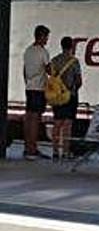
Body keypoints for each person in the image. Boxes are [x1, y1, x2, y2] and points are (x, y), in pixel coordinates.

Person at [49, 36, 82, 161]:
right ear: (71, 46)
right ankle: (66, 152)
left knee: (57, 123)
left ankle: (55, 151)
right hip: (70, 95)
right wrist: (73, 89)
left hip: (56, 95)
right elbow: (78, 81)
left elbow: (51, 78)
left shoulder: (54, 60)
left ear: (61, 45)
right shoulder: (74, 61)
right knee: (67, 124)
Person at [22, 25, 51, 160]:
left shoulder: (28, 51)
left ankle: (27, 147)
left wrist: (28, 82)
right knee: (35, 119)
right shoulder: (42, 51)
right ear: (41, 36)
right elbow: (50, 70)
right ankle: (32, 150)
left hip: (29, 88)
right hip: (39, 89)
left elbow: (24, 70)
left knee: (29, 118)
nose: (47, 40)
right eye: (46, 37)